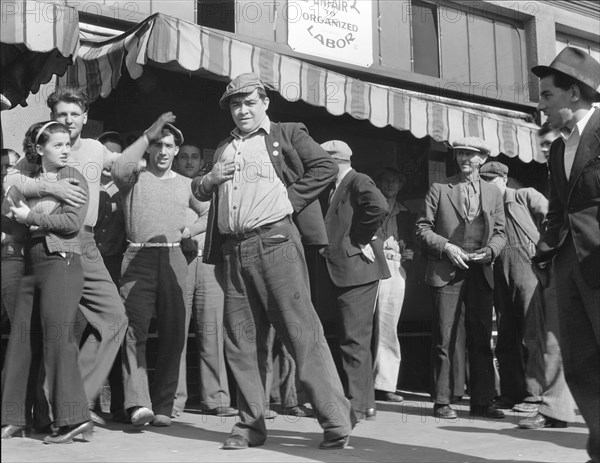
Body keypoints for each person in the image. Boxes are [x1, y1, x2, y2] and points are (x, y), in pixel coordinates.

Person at [191, 73, 354, 450]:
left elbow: (325, 167)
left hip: (276, 242)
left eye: (249, 101)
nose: (242, 109)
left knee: (300, 332)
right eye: (235, 103)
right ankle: (249, 426)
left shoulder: (287, 133)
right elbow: (199, 188)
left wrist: (290, 200)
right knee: (241, 342)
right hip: (233, 250)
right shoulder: (223, 148)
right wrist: (210, 178)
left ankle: (335, 421)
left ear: (265, 102)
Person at [4, 89, 173, 420]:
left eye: (74, 114)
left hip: (84, 242)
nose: (68, 120)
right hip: (46, 244)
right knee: (49, 332)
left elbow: (123, 167)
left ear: (84, 117)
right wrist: (48, 187)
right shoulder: (42, 146)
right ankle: (47, 411)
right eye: (61, 113)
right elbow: (10, 180)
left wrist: (146, 139)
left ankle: (73, 397)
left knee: (113, 319)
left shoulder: (95, 149)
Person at [1, 121, 92, 443]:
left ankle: (74, 419)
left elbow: (70, 224)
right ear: (39, 149)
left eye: (68, 144)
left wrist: (30, 217)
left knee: (57, 338)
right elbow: (9, 204)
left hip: (62, 261)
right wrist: (19, 214)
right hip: (30, 262)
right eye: (57, 145)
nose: (66, 150)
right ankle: (12, 418)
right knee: (21, 340)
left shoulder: (73, 178)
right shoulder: (29, 180)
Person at [531, 47, 600, 463]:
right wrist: (545, 257)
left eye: (546, 96)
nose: (541, 106)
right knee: (579, 364)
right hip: (570, 266)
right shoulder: (558, 149)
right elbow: (558, 210)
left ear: (573, 94)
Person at [112, 121, 205, 428]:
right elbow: (120, 167)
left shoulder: (184, 183)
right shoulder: (133, 177)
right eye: (158, 145)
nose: (163, 151)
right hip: (137, 256)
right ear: (149, 147)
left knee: (174, 332)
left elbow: (209, 211)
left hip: (174, 256)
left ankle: (164, 404)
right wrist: (145, 134)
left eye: (169, 146)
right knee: (133, 331)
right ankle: (138, 403)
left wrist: (189, 230)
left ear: (176, 151)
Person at [415, 136, 506, 420]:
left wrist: (490, 251)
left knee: (480, 337)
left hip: (481, 271)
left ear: (482, 159)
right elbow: (421, 228)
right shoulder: (440, 189)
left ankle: (483, 402)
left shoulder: (493, 193)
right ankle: (442, 401)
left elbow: (502, 233)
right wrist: (445, 246)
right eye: (460, 154)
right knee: (445, 338)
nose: (465, 159)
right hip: (447, 271)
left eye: (470, 154)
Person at [480, 161, 576, 430]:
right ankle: (511, 393)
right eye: (483, 181)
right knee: (507, 333)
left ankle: (535, 396)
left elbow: (553, 218)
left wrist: (545, 251)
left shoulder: (524, 195)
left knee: (532, 334)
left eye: (491, 180)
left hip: (528, 267)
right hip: (501, 270)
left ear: (504, 180)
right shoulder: (486, 208)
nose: (487, 185)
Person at [317, 140, 390, 420]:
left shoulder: (357, 180)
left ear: (334, 163)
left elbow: (379, 206)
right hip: (346, 271)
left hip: (357, 271)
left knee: (354, 340)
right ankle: (364, 403)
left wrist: (360, 238)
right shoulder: (338, 186)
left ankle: (358, 405)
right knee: (353, 339)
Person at [172, 143, 237, 418]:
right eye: (184, 156)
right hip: (179, 261)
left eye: (194, 157)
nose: (188, 161)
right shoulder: (172, 185)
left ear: (203, 162)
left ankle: (216, 399)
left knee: (212, 332)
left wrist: (190, 231)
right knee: (176, 333)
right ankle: (173, 400)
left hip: (209, 262)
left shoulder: (211, 187)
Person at [93, 131, 127, 422]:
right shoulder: (85, 185)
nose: (109, 161)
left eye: (116, 156)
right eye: (105, 153)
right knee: (87, 333)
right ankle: (89, 405)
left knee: (116, 333)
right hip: (88, 264)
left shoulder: (126, 191)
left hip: (115, 267)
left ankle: (119, 404)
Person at [373, 168, 414, 403]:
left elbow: (413, 241)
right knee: (365, 325)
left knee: (388, 324)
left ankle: (385, 384)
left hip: (394, 267)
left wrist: (410, 251)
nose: (390, 184)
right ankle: (363, 384)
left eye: (394, 181)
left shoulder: (406, 214)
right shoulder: (371, 206)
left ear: (400, 185)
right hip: (369, 267)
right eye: (385, 180)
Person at [1, 148, 25, 327]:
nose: (4, 171)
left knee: (18, 319)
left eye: (9, 167)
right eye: (1, 166)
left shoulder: (19, 193)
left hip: (12, 257)